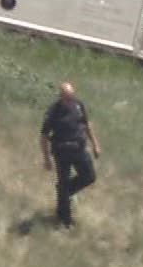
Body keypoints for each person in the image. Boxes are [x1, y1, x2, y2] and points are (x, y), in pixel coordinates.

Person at [39, 81, 101, 228]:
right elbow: (43, 136)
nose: (69, 100)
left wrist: (95, 144)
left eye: (71, 96)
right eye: (66, 97)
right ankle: (65, 220)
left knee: (89, 176)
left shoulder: (78, 105)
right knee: (64, 182)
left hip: (79, 149)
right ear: (61, 97)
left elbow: (86, 124)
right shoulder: (54, 111)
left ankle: (65, 191)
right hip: (62, 152)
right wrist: (46, 158)